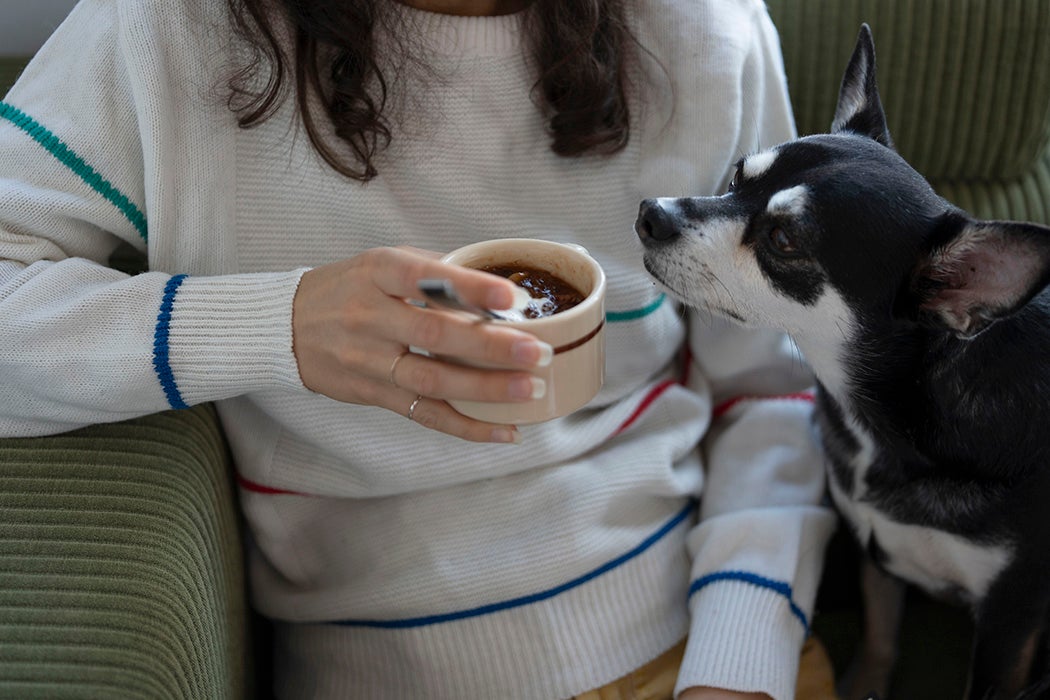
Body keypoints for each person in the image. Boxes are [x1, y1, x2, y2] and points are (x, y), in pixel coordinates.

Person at [0, 0, 839, 697]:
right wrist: (280, 325)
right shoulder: (167, 30)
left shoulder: (707, 31)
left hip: (702, 638)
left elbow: (774, 387)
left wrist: (739, 657)